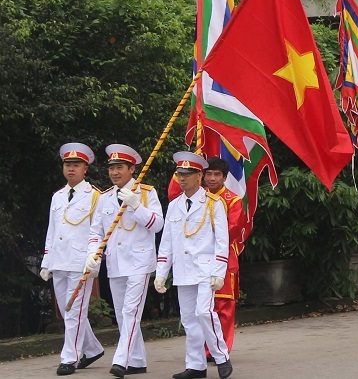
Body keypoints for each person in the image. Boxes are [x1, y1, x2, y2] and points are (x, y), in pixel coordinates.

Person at [154, 152, 233, 379]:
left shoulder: (213, 203)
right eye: (179, 174)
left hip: (206, 269)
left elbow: (222, 240)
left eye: (187, 174)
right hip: (182, 269)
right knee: (188, 319)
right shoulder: (174, 205)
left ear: (199, 176)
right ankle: (196, 365)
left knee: (204, 312)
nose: (182, 178)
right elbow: (167, 241)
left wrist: (219, 271)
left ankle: (221, 356)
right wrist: (161, 273)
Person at [87, 144, 163, 378]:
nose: (115, 172)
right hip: (116, 262)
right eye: (112, 168)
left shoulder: (146, 193)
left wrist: (136, 205)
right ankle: (138, 361)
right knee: (122, 314)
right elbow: (96, 231)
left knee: (131, 311)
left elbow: (157, 224)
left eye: (120, 167)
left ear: (132, 169)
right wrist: (92, 253)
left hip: (140, 262)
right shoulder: (105, 197)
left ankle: (122, 359)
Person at [42, 143, 104, 376]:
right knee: (69, 312)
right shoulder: (57, 196)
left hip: (81, 262)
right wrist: (46, 261)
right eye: (68, 165)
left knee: (75, 310)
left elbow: (98, 232)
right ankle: (93, 348)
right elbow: (52, 230)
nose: (71, 169)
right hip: (59, 260)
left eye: (76, 165)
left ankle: (70, 358)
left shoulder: (95, 196)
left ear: (85, 168)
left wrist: (94, 259)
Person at [202, 157, 247, 355]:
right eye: (208, 174)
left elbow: (232, 230)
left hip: (225, 258)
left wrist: (203, 240)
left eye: (216, 174)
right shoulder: (197, 197)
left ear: (224, 177)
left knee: (223, 305)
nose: (212, 178)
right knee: (202, 307)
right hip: (199, 259)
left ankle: (221, 349)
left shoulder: (233, 200)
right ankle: (204, 349)